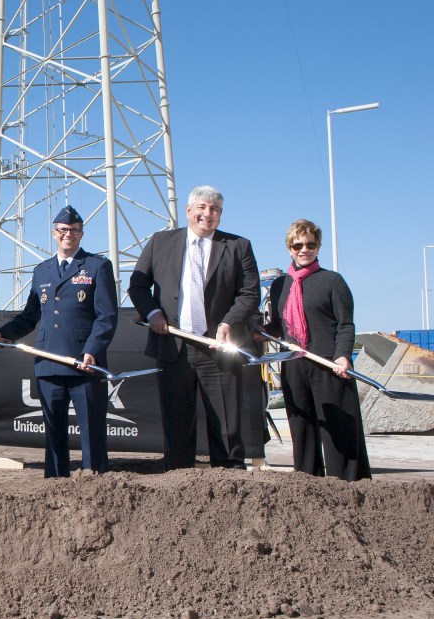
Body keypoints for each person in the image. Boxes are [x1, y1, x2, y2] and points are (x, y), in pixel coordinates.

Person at [128, 185, 260, 470]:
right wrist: (152, 313)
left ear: (220, 215)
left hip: (220, 349)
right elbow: (137, 285)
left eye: (214, 209)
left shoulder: (239, 246)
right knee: (177, 423)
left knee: (226, 425)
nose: (207, 214)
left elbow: (249, 293)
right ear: (188, 211)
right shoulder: (160, 242)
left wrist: (228, 323)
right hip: (174, 348)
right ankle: (179, 480)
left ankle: (230, 483)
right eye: (201, 207)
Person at [0, 205, 117, 477]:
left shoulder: (97, 266)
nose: (67, 235)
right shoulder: (42, 271)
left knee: (91, 429)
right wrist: (6, 333)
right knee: (54, 430)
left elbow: (106, 316)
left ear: (81, 234)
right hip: (49, 363)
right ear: (54, 233)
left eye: (73, 230)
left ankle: (93, 478)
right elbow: (30, 316)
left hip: (84, 363)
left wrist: (92, 350)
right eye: (62, 230)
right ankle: (56, 481)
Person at [261, 219, 371, 480]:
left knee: (339, 434)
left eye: (310, 244)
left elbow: (346, 324)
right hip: (294, 366)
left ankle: (346, 487)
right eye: (297, 244)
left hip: (329, 365)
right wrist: (261, 330)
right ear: (289, 247)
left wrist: (343, 355)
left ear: (318, 246)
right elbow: (279, 326)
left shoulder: (333, 281)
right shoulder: (279, 286)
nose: (304, 249)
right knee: (302, 431)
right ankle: (307, 484)